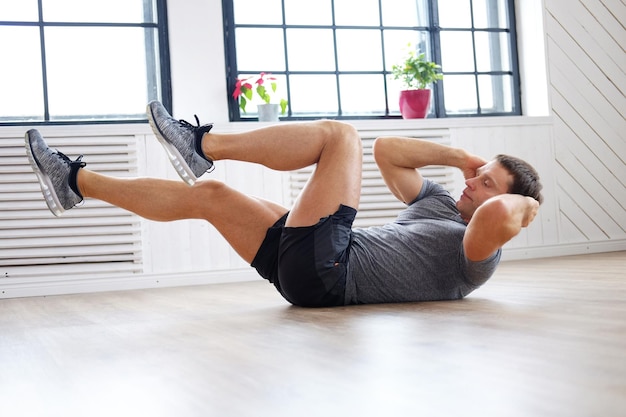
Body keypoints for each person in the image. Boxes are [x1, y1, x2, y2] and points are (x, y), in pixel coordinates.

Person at [25, 101, 542, 307]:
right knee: (210, 196)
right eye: (478, 175)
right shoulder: (439, 205)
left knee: (340, 136)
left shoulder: (478, 254)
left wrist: (522, 202)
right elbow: (390, 152)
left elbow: (498, 215)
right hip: (310, 272)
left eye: (486, 183)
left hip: (332, 271)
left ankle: (203, 146)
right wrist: (460, 156)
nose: (472, 182)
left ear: (513, 210)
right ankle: (75, 181)